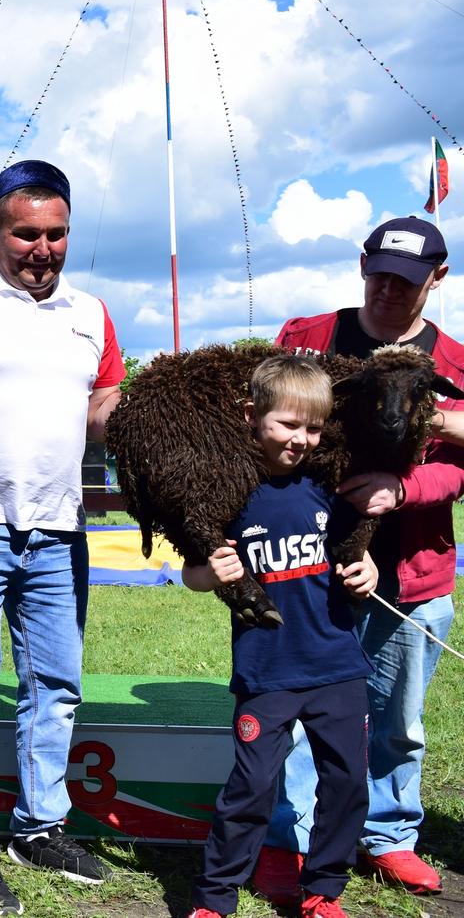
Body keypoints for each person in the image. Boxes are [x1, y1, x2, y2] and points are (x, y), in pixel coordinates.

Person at [0, 160, 124, 914]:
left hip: (60, 528)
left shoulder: (92, 313)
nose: (42, 248)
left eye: (56, 234)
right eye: (26, 234)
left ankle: (39, 826)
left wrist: (146, 411)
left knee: (56, 687)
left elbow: (103, 404)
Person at [257, 216, 464, 901]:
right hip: (306, 569)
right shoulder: (308, 338)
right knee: (294, 713)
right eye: (379, 275)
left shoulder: (454, 362)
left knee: (397, 719)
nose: (387, 291)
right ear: (362, 265)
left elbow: (459, 466)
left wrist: (401, 488)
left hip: (413, 572)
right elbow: (263, 423)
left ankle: (388, 835)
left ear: (437, 279)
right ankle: (288, 837)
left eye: (406, 282)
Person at [184, 356, 378, 918]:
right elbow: (193, 574)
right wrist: (209, 574)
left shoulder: (328, 487)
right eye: (288, 424)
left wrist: (367, 571)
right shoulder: (225, 491)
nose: (301, 439)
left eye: (313, 428)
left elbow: (357, 553)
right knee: (251, 787)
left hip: (337, 667)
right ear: (252, 415)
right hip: (266, 671)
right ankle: (215, 897)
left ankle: (323, 889)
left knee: (346, 782)